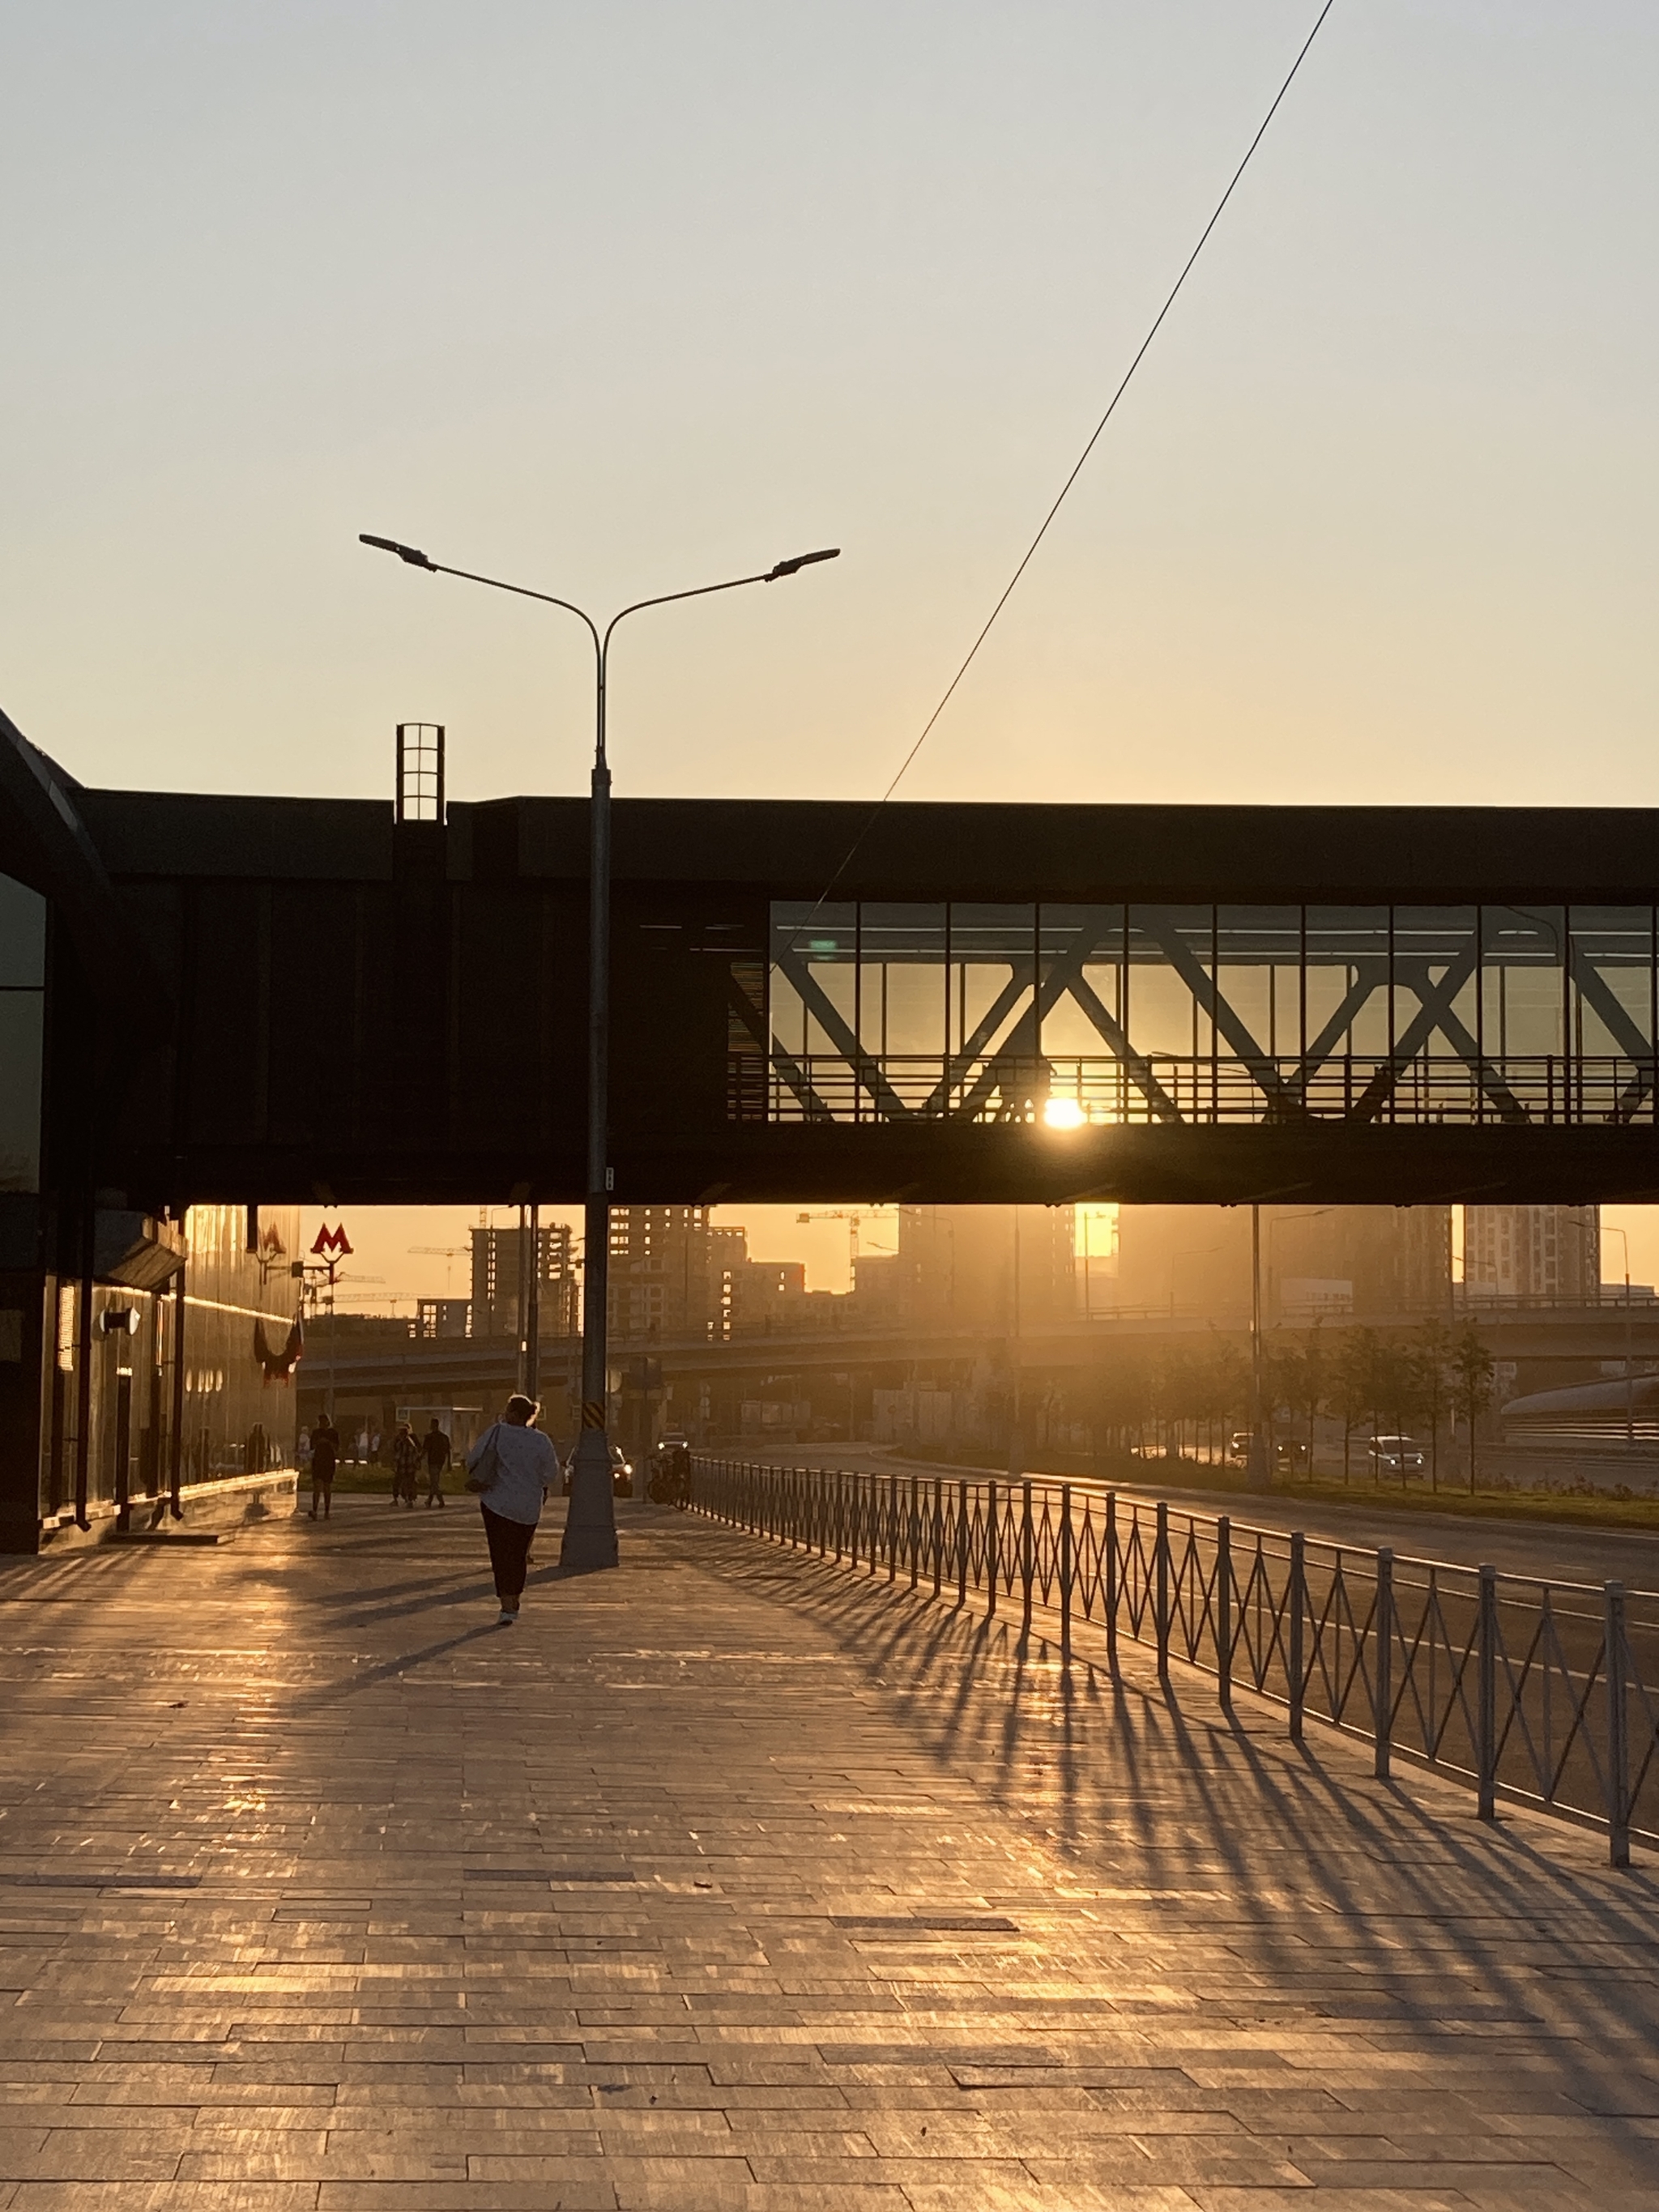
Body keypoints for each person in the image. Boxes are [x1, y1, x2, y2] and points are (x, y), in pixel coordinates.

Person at [465, 1394, 557, 1626]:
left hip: (496, 1504)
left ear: (513, 1414)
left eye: (508, 1410)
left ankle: (506, 1605)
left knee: (500, 1554)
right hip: (528, 1508)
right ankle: (514, 1596)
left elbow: (473, 1459)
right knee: (518, 1555)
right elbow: (550, 1475)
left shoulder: (497, 1432)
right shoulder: (541, 1441)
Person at [309, 1414, 339, 1520]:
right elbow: (312, 1446)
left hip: (328, 1461)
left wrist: (328, 1443)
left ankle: (327, 1511)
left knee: (327, 1486)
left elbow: (336, 1447)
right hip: (318, 1461)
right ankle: (315, 1510)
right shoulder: (316, 1433)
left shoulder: (332, 1433)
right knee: (317, 1486)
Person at [390, 1421, 421, 1508]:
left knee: (404, 1483)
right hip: (407, 1466)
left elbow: (399, 1454)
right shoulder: (407, 1442)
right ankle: (407, 1499)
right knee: (406, 1483)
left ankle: (407, 1499)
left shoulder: (405, 1443)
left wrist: (395, 1463)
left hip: (405, 1466)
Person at [422, 1417, 450, 1508]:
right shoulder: (444, 1437)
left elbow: (425, 1450)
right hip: (441, 1461)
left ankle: (440, 1500)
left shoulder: (429, 1437)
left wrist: (418, 1459)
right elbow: (448, 1451)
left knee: (434, 1482)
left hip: (433, 1461)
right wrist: (449, 1463)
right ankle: (429, 1500)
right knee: (434, 1481)